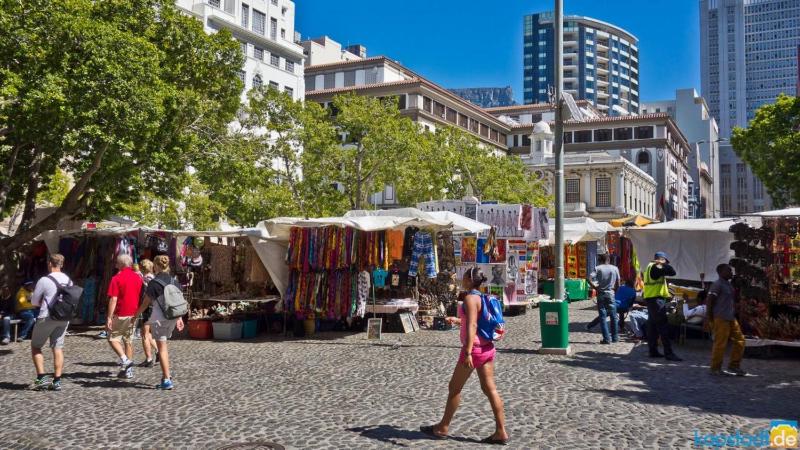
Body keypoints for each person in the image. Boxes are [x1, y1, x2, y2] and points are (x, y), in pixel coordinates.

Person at [421, 267, 509, 445]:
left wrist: (468, 351)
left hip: (474, 350)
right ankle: (501, 431)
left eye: (463, 277)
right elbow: (474, 321)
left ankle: (443, 427)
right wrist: (458, 320)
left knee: (454, 387)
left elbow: (473, 325)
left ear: (469, 279)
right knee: (490, 389)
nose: (461, 280)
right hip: (487, 348)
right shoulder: (483, 297)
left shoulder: (469, 298)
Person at [135, 255, 185, 390]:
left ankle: (167, 379)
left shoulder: (154, 283)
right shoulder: (174, 281)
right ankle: (166, 375)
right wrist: (179, 318)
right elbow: (178, 301)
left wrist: (135, 316)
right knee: (164, 347)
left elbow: (145, 303)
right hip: (173, 318)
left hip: (160, 319)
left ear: (156, 266)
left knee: (162, 349)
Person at [29, 254, 72, 391]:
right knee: (57, 348)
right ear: (62, 264)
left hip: (46, 316)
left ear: (49, 264)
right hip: (64, 318)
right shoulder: (68, 280)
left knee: (36, 346)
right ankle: (57, 380)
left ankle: (41, 377)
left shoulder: (44, 280)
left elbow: (34, 301)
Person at [106, 254, 144, 379]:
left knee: (112, 338)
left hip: (121, 313)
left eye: (117, 263)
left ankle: (125, 360)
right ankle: (129, 371)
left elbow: (113, 299)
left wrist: (109, 317)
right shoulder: (138, 277)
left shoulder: (116, 278)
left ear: (121, 264)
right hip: (133, 313)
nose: (115, 265)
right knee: (128, 341)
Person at [706, 264, 746, 376]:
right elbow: (709, 301)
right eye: (728, 271)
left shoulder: (729, 285)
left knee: (740, 340)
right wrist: (709, 318)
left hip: (731, 318)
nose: (731, 273)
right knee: (720, 344)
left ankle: (734, 365)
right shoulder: (717, 285)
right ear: (720, 272)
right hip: (720, 318)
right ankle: (715, 368)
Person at [642, 251, 682, 361]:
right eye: (665, 261)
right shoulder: (656, 266)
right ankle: (668, 353)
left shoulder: (649, 267)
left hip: (651, 299)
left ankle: (653, 351)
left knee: (653, 326)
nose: (666, 264)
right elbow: (672, 272)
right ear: (661, 259)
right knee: (663, 326)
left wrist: (662, 263)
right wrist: (662, 263)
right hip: (656, 300)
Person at [587, 254, 621, 344]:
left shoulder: (598, 268)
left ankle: (606, 339)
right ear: (608, 259)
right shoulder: (615, 268)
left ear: (600, 260)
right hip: (611, 294)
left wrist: (595, 287)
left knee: (602, 317)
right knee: (614, 316)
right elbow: (618, 283)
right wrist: (615, 291)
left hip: (601, 294)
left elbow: (589, 278)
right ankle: (615, 337)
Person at [138, 259, 159, 367]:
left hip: (148, 307)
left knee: (144, 334)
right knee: (148, 333)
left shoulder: (146, 278)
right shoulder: (154, 278)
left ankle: (149, 359)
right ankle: (158, 351)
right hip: (153, 308)